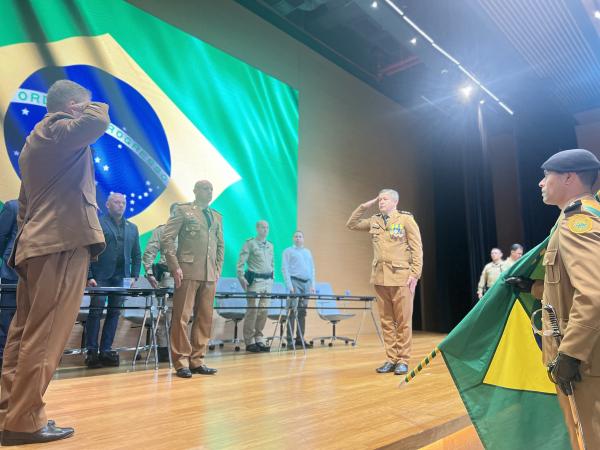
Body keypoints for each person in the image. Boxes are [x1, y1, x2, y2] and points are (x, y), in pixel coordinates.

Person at [0, 79, 108, 445]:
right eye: (82, 104)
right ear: (73, 107)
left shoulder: (37, 140)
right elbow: (98, 120)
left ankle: (9, 412)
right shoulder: (58, 128)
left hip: (38, 246)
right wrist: (86, 106)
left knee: (23, 336)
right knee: (45, 336)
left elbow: (24, 207)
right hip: (61, 243)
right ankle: (25, 421)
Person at [535, 149, 600, 448]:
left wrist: (571, 354)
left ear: (569, 177)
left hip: (587, 360)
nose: (541, 183)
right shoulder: (587, 214)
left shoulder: (576, 222)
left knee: (592, 437)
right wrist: (533, 288)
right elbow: (568, 288)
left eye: (547, 175)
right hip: (588, 353)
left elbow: (593, 294)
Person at [346, 189, 423, 375]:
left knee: (403, 321)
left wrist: (415, 273)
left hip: (401, 277)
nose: (381, 202)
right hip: (380, 278)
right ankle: (391, 359)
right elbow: (352, 224)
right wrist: (365, 206)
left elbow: (417, 248)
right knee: (387, 322)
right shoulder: (375, 220)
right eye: (379, 199)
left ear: (395, 202)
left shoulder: (405, 219)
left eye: (384, 199)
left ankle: (403, 360)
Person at [161, 180, 224, 379]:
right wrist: (175, 266)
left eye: (211, 188)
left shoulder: (216, 216)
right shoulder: (183, 211)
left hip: (209, 274)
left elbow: (220, 245)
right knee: (182, 317)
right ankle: (181, 362)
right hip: (187, 271)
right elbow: (167, 239)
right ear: (195, 191)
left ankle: (197, 360)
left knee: (205, 318)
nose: (209, 191)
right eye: (205, 188)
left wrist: (217, 269)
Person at [86, 193, 141, 368]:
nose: (120, 205)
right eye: (116, 202)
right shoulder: (98, 223)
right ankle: (91, 352)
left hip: (121, 278)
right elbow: (88, 250)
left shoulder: (132, 228)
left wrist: (134, 275)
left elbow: (136, 254)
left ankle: (106, 350)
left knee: (114, 314)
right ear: (108, 204)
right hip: (100, 276)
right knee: (95, 313)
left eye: (123, 203)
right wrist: (89, 275)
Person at [142, 202, 179, 363]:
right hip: (167, 279)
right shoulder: (162, 231)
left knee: (182, 316)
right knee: (165, 315)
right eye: (177, 212)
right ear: (171, 213)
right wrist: (149, 273)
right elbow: (149, 252)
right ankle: (163, 349)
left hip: (186, 280)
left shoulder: (189, 233)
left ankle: (178, 348)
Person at [237, 220, 274, 353]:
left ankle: (259, 337)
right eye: (263, 227)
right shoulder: (250, 243)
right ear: (257, 228)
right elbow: (241, 262)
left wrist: (273, 277)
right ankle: (249, 340)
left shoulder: (270, 246)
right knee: (252, 311)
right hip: (255, 282)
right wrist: (241, 277)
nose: (265, 229)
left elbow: (272, 263)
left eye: (267, 227)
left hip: (267, 282)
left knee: (263, 311)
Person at [281, 230, 316, 348]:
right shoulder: (288, 251)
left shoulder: (307, 252)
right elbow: (284, 269)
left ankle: (300, 339)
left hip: (307, 283)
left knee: (302, 312)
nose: (298, 238)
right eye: (296, 236)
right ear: (293, 238)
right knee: (292, 311)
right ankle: (290, 340)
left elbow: (312, 269)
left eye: (300, 236)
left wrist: (313, 285)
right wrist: (289, 286)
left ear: (303, 239)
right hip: (294, 282)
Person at [0, 200, 19, 367]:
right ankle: (3, 357)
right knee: (7, 316)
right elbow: (1, 235)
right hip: (12, 271)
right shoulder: (12, 206)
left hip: (37, 274)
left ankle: (18, 357)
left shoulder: (44, 208)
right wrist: (7, 257)